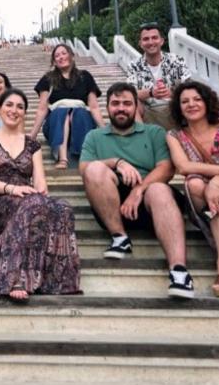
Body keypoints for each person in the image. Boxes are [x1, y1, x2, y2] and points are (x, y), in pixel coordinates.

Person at [0, 88, 81, 302]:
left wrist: (41, 194)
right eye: (9, 105)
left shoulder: (32, 144)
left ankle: (57, 278)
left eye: (20, 107)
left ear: (25, 113)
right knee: (32, 205)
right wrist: (12, 189)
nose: (14, 110)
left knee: (63, 207)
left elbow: (39, 181)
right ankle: (13, 278)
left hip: (28, 198)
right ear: (0, 109)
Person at [79, 82, 194, 299]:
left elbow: (167, 168)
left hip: (153, 202)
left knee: (158, 189)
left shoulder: (154, 132)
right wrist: (117, 162)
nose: (121, 108)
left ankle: (179, 271)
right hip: (112, 205)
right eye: (115, 103)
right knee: (95, 168)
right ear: (107, 107)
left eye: (127, 103)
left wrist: (138, 190)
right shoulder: (94, 136)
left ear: (136, 107)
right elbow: (84, 169)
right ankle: (120, 237)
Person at [166, 81, 219, 297]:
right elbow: (183, 167)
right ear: (178, 107)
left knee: (216, 193)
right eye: (185, 101)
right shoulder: (175, 135)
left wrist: (215, 182)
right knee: (194, 182)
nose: (191, 104)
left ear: (207, 102)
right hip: (196, 196)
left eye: (197, 99)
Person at [30, 43, 104, 169]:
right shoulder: (48, 78)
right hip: (55, 125)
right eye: (57, 56)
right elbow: (42, 108)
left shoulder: (85, 76)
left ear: (72, 56)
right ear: (54, 61)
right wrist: (32, 135)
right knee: (61, 112)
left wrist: (104, 130)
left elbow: (94, 107)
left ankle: (83, 156)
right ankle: (62, 158)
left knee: (79, 112)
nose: (61, 57)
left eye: (64, 53)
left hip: (82, 123)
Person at [126, 22, 191, 130]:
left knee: (191, 99)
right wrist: (151, 92)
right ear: (140, 44)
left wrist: (172, 92)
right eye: (146, 39)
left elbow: (190, 88)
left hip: (174, 107)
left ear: (161, 41)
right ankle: (143, 135)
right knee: (130, 102)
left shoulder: (176, 60)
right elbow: (129, 93)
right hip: (148, 110)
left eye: (154, 38)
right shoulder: (134, 65)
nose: (151, 42)